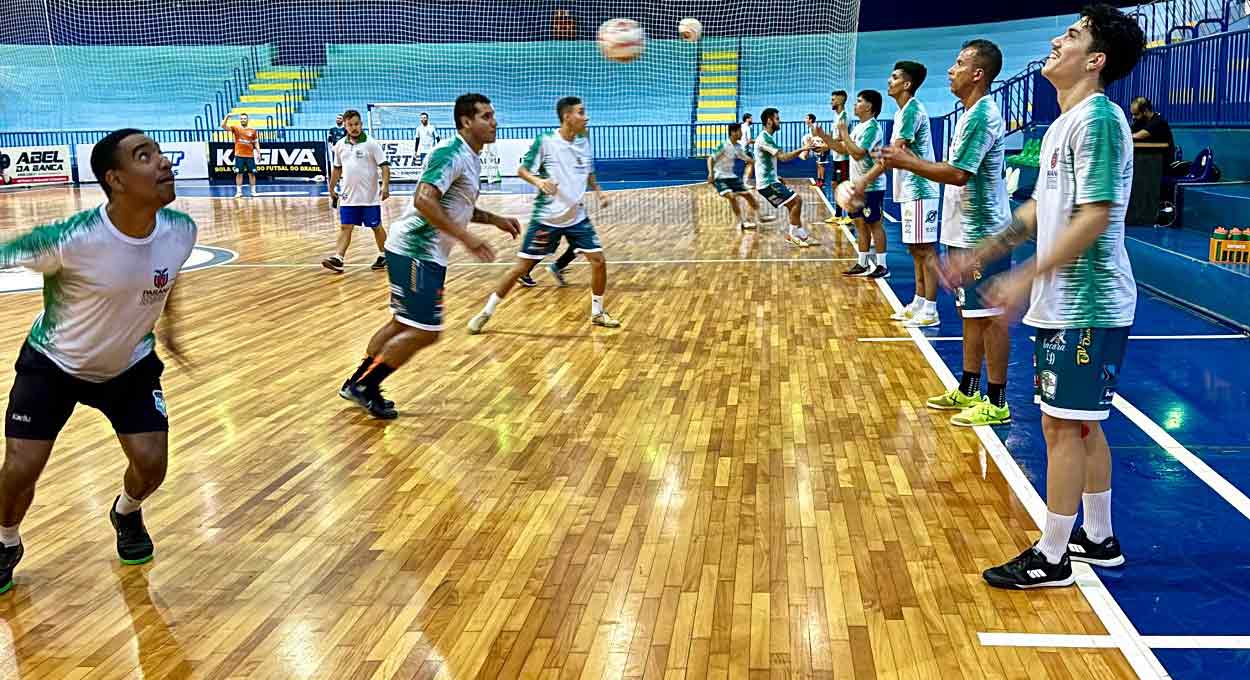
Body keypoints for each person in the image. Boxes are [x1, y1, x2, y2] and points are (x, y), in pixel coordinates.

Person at [946, 4, 1145, 589]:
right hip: (1068, 302)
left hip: (1088, 303)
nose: (1058, 40)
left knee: (1061, 428)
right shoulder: (1064, 123)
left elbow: (1095, 215)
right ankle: (1098, 537)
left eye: (1073, 34)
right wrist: (990, 248)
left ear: (1096, 59)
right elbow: (1040, 207)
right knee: (1081, 425)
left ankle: (1053, 555)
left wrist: (1023, 275)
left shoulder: (1099, 120)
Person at [0, 128, 198, 592]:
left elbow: (166, 275)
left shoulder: (181, 231)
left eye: (159, 152)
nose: (163, 161)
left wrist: (170, 326)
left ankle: (126, 512)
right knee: (21, 469)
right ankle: (5, 541)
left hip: (129, 366)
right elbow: (9, 250)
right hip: (53, 364)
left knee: (152, 465)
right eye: (144, 156)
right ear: (116, 179)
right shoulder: (73, 238)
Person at [338, 93, 520, 419]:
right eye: (486, 116)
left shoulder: (470, 158)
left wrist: (494, 219)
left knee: (401, 323)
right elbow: (424, 199)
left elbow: (457, 206)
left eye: (493, 115)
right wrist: (466, 238)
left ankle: (358, 381)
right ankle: (365, 385)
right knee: (425, 330)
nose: (494, 122)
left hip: (417, 252)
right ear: (466, 121)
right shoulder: (451, 153)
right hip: (416, 251)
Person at [877, 39, 1013, 427]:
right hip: (962, 230)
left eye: (959, 63)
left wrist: (907, 162)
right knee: (971, 314)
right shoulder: (968, 114)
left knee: (990, 316)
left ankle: (997, 400)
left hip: (983, 236)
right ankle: (968, 387)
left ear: (978, 74)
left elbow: (957, 174)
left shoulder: (982, 115)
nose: (951, 70)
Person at [467, 96, 621, 334]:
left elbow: (588, 170)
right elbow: (522, 170)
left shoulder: (584, 140)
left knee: (599, 261)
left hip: (577, 217)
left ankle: (597, 313)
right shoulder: (546, 141)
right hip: (547, 218)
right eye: (581, 112)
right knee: (520, 269)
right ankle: (486, 312)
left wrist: (599, 192)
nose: (586, 117)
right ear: (567, 117)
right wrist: (539, 182)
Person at [854, 61, 942, 326]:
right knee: (915, 249)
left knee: (925, 250)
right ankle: (918, 302)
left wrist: (864, 180)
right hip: (909, 189)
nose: (888, 81)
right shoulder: (902, 112)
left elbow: (894, 155)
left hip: (920, 188)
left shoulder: (911, 110)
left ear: (907, 84)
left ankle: (931, 309)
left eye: (894, 77)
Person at [811, 90, 888, 277]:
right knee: (859, 223)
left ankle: (882, 266)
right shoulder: (859, 127)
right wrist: (824, 136)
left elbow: (859, 153)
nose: (855, 104)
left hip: (872, 185)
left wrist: (844, 133)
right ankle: (862, 263)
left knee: (874, 223)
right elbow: (843, 148)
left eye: (859, 101)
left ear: (869, 106)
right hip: (856, 186)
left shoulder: (872, 127)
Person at [323, 109, 390, 273]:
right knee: (345, 226)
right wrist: (331, 188)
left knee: (376, 226)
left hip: (369, 196)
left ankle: (385, 255)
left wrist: (385, 186)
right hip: (348, 196)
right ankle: (338, 258)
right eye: (350, 125)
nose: (354, 128)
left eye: (357, 124)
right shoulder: (340, 145)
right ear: (345, 126)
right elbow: (337, 168)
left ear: (361, 124)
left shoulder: (371, 143)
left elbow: (384, 166)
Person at [756, 107, 815, 247]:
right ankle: (792, 235)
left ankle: (801, 233)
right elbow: (783, 157)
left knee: (792, 204)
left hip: (770, 180)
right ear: (769, 121)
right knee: (796, 201)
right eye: (777, 118)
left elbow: (766, 161)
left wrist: (776, 176)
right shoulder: (764, 138)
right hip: (767, 183)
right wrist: (803, 148)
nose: (779, 121)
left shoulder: (767, 137)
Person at [707, 122, 761, 231]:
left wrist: (759, 163)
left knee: (749, 195)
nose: (742, 133)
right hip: (720, 177)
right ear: (733, 132)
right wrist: (711, 174)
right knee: (731, 196)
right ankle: (741, 222)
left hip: (731, 177)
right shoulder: (723, 145)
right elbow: (710, 158)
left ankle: (760, 217)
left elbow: (745, 158)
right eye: (740, 131)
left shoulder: (738, 146)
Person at [826, 90, 852, 223]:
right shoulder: (836, 116)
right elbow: (834, 135)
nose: (831, 102)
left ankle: (851, 215)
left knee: (844, 186)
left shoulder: (844, 117)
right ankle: (838, 214)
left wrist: (826, 142)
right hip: (836, 156)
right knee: (835, 185)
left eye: (833, 99)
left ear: (841, 100)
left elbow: (842, 137)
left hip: (844, 157)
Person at [220, 113, 260, 198]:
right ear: (240, 120)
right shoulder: (236, 128)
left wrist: (258, 153)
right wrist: (227, 116)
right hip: (239, 155)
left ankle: (253, 191)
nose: (243, 120)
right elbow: (223, 126)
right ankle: (239, 192)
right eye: (241, 118)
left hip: (250, 156)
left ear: (247, 119)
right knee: (239, 174)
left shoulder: (252, 130)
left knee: (252, 174)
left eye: (244, 118)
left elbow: (256, 142)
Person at [1129, 96, 1174, 163]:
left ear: (1145, 111)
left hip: (1161, 162)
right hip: (1145, 160)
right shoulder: (1139, 122)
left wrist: (1126, 135)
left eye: (1136, 114)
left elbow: (1138, 135)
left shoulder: (1159, 121)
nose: (1133, 117)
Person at [801, 113, 830, 189]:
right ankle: (818, 181)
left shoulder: (815, 127)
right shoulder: (812, 127)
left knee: (821, 165)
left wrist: (823, 147)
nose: (805, 120)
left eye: (806, 118)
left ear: (810, 120)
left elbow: (820, 137)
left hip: (822, 147)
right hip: (819, 147)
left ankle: (822, 182)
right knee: (818, 164)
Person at [326, 113, 347, 207]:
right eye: (337, 118)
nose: (338, 119)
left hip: (343, 151)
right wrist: (332, 148)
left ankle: (343, 181)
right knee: (335, 167)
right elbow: (329, 140)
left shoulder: (345, 130)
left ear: (343, 120)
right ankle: (336, 183)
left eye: (340, 118)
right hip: (335, 151)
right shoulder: (332, 129)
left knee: (344, 167)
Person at [741, 113, 755, 184]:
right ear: (747, 119)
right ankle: (746, 182)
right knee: (751, 164)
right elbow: (749, 141)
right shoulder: (748, 128)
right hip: (746, 149)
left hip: (740, 148)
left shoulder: (741, 126)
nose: (752, 120)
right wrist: (758, 141)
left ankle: (745, 181)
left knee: (748, 164)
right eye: (751, 118)